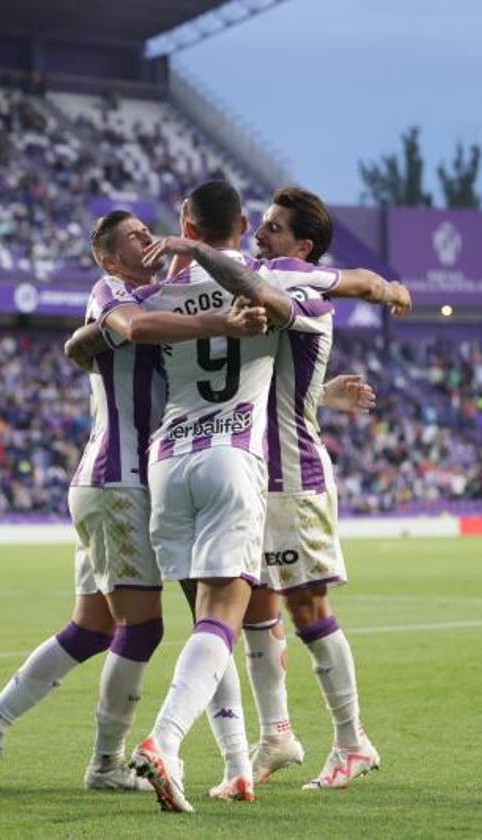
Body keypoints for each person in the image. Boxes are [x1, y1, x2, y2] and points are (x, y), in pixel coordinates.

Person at [0, 210, 267, 794]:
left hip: (125, 478)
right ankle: (105, 764)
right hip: (121, 478)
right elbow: (138, 327)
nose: (148, 240)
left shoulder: (162, 290)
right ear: (108, 257)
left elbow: (110, 333)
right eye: (134, 238)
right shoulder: (114, 293)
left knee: (92, 628)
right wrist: (224, 319)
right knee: (141, 629)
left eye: (151, 233)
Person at [116, 180, 338, 813]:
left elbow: (126, 326)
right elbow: (324, 290)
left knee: (204, 623)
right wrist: (381, 287)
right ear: (244, 223)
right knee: (222, 621)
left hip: (168, 460)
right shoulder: (265, 282)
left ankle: (238, 767)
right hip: (231, 456)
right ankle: (164, 741)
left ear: (186, 221)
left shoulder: (161, 293)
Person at [238, 186, 409, 790]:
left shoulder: (292, 278)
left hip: (293, 479)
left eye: (274, 228)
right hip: (255, 477)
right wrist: (324, 394)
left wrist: (387, 287)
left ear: (302, 248)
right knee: (255, 608)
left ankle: (352, 741)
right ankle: (277, 735)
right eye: (261, 224)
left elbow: (358, 280)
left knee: (307, 609)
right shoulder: (271, 279)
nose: (261, 234)